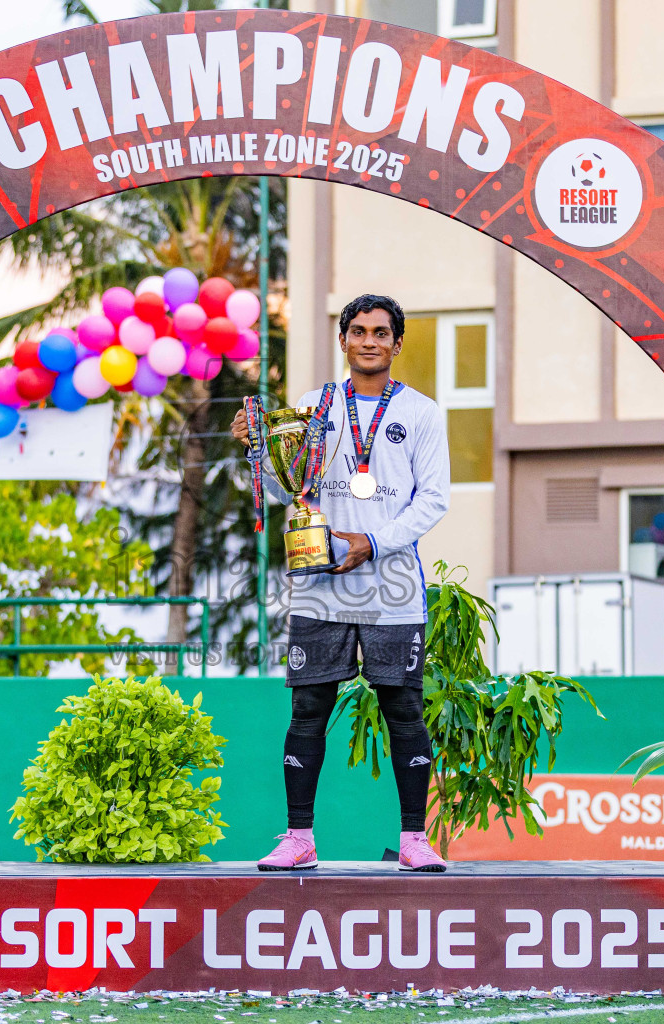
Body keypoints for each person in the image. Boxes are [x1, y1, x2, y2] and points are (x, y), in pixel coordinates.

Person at [229, 293, 451, 872]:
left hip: (392, 586)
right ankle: (298, 838)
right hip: (319, 582)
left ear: (397, 343)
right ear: (343, 339)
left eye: (380, 332)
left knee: (404, 710)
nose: (369, 341)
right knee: (308, 709)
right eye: (358, 331)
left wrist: (372, 542)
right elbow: (286, 487)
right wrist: (258, 447)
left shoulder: (422, 413)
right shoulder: (314, 405)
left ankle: (414, 840)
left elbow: (433, 499)